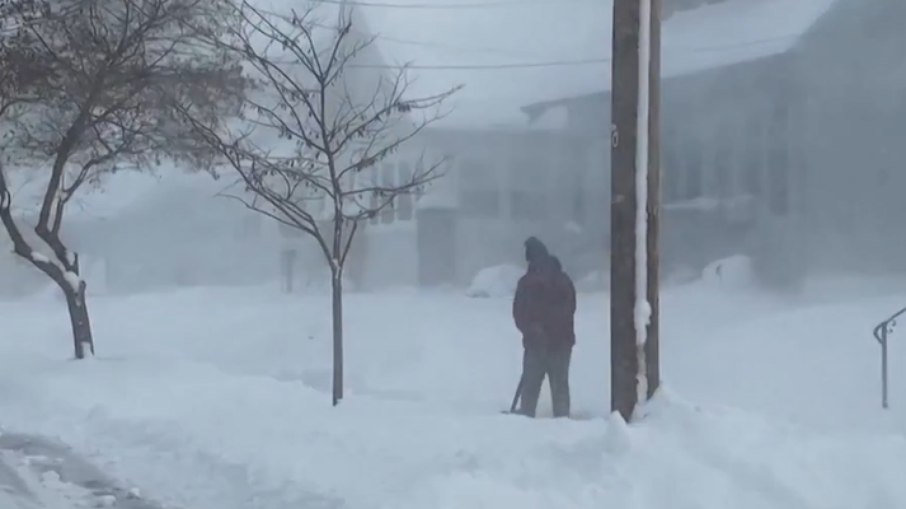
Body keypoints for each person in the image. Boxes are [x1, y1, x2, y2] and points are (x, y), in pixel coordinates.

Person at [512, 237, 577, 418]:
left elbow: (519, 313)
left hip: (545, 343)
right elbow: (568, 310)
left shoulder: (528, 283)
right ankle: (562, 420)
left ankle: (526, 417)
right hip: (557, 343)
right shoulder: (562, 280)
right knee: (559, 387)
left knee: (531, 387)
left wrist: (535, 329)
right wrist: (538, 329)